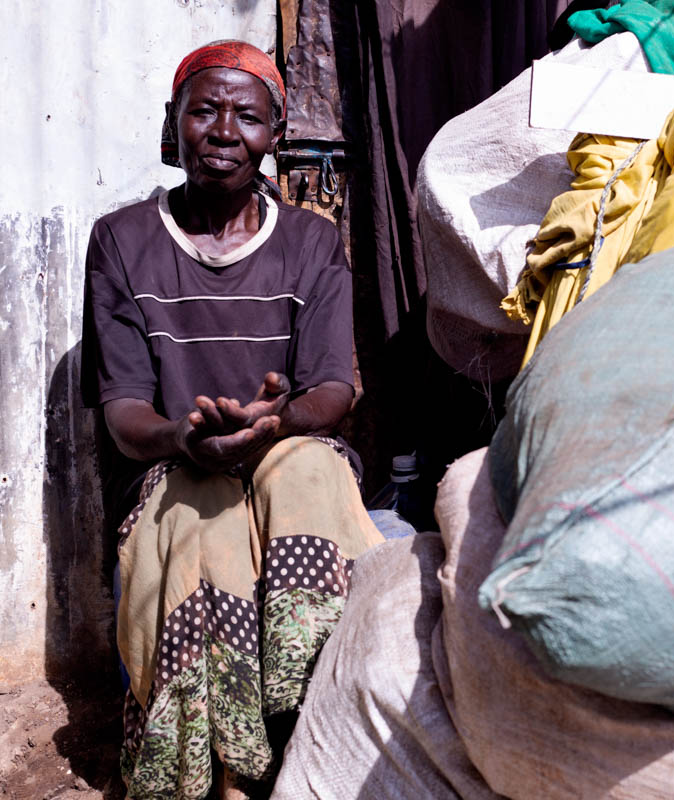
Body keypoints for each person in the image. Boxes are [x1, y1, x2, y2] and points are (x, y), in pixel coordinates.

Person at [81, 40, 383, 798]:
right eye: (204, 110)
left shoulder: (312, 240)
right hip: (170, 460)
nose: (223, 130)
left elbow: (331, 393)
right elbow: (124, 413)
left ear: (275, 135)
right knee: (202, 524)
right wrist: (186, 438)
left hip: (285, 446)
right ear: (172, 124)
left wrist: (271, 425)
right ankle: (222, 771)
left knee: (312, 471)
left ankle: (318, 734)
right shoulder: (123, 240)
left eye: (246, 116)